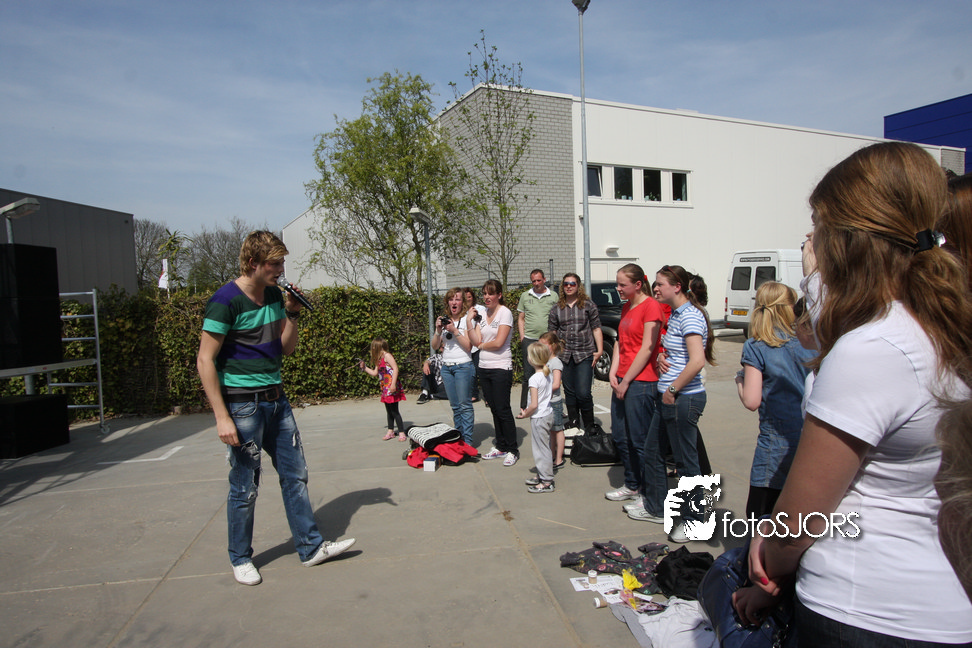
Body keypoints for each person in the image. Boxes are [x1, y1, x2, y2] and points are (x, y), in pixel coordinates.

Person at [735, 142, 972, 645]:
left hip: (864, 606)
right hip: (939, 597)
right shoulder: (940, 326)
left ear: (847, 240)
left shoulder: (874, 347)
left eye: (818, 227)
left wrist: (766, 557)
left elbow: (800, 519)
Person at [196, 230, 355, 586]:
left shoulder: (272, 296)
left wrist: (292, 313)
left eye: (282, 263)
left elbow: (286, 348)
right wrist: (221, 417)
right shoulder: (225, 300)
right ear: (253, 263)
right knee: (245, 486)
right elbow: (205, 360)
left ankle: (310, 548)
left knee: (295, 475)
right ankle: (240, 558)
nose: (281, 270)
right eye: (275, 263)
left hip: (277, 400)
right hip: (243, 406)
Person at [629, 265, 715, 545]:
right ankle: (656, 508)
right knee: (653, 451)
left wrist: (673, 389)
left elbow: (697, 360)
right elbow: (680, 353)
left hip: (682, 399)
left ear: (677, 287)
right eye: (655, 284)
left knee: (687, 463)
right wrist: (662, 356)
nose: (655, 288)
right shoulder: (677, 315)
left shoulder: (689, 315)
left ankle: (696, 523)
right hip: (669, 397)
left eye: (660, 284)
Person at [734, 281, 815, 518]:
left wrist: (740, 381)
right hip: (810, 439)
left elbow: (751, 400)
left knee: (761, 517)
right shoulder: (810, 342)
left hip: (775, 445)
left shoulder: (756, 346)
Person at [604, 264, 666, 505]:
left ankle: (649, 493)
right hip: (622, 379)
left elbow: (647, 348)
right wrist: (613, 373)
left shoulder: (651, 307)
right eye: (617, 283)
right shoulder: (626, 306)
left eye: (623, 284)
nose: (618, 288)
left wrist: (627, 380)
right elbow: (620, 343)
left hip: (641, 382)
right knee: (621, 437)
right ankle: (632, 484)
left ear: (638, 284)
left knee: (641, 441)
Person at [468, 279, 519, 466]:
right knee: (494, 409)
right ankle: (501, 445)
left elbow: (499, 343)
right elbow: (475, 340)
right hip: (484, 367)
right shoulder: (481, 313)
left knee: (503, 409)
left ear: (499, 295)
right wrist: (469, 321)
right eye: (484, 294)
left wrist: (481, 345)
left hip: (501, 367)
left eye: (490, 293)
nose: (487, 297)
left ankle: (512, 449)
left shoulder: (505, 313)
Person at [547, 272, 603, 431]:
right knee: (570, 392)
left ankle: (589, 424)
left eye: (572, 283)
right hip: (564, 355)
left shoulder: (588, 305)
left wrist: (599, 350)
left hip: (584, 353)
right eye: (566, 284)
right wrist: (552, 354)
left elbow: (596, 328)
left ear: (578, 286)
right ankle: (574, 421)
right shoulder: (556, 308)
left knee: (583, 392)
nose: (569, 286)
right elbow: (552, 332)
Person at [431, 287, 476, 445]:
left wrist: (455, 330)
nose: (454, 302)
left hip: (463, 366)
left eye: (457, 299)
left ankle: (468, 442)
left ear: (462, 302)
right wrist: (438, 330)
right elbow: (435, 345)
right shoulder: (445, 320)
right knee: (455, 406)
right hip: (447, 368)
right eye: (451, 299)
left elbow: (469, 346)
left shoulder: (466, 320)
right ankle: (459, 438)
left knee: (465, 405)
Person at [517, 342, 555, 493]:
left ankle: (546, 481)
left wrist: (525, 414)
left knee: (540, 450)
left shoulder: (534, 379)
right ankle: (542, 474)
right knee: (545, 447)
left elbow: (533, 404)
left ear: (532, 359)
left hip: (539, 417)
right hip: (547, 414)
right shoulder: (547, 374)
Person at [517, 269, 556, 409]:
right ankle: (525, 406)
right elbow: (521, 318)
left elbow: (557, 318)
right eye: (533, 281)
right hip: (529, 339)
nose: (536, 283)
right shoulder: (525, 296)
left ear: (544, 279)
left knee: (549, 373)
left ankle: (552, 405)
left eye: (539, 280)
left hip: (547, 341)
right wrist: (522, 336)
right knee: (528, 375)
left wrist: (554, 338)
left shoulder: (553, 296)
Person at [359, 339, 406, 442]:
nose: (372, 348)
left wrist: (393, 384)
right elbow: (375, 373)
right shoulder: (379, 359)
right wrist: (364, 367)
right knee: (389, 411)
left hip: (391, 386)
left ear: (378, 347)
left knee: (395, 411)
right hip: (385, 387)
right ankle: (390, 431)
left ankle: (401, 432)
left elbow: (395, 368)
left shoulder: (387, 356)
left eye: (373, 346)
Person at [539, 331, 566, 470]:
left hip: (554, 402)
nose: (542, 348)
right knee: (551, 431)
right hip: (547, 402)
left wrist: (543, 391)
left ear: (553, 346)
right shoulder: (546, 362)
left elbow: (556, 384)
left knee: (558, 430)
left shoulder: (556, 362)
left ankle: (559, 458)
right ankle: (552, 455)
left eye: (545, 345)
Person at [464, 287, 486, 403]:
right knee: (469, 372)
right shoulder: (461, 311)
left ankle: (487, 396)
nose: (468, 299)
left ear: (473, 298)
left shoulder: (480, 309)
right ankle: (474, 394)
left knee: (480, 370)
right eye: (465, 297)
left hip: (478, 345)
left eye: (469, 297)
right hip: (466, 345)